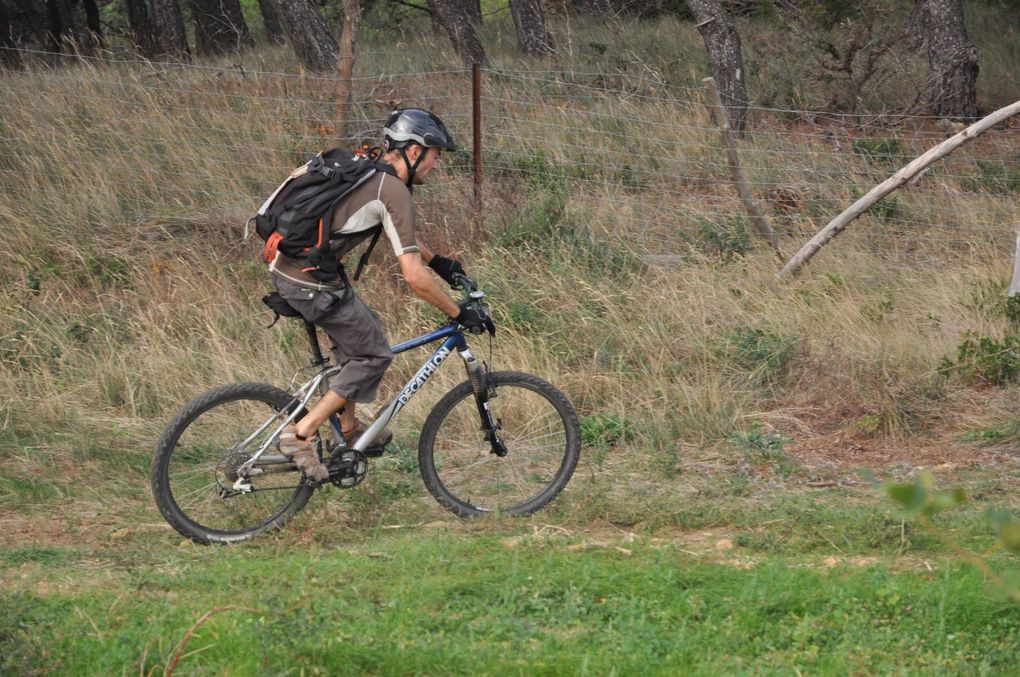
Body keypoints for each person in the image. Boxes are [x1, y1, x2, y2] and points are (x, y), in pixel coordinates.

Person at [267, 108, 489, 481]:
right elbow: (412, 276)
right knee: (373, 355)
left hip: (297, 269)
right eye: (435, 155)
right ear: (414, 151)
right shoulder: (394, 191)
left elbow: (405, 242)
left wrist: (441, 263)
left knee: (365, 331)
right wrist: (457, 313)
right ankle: (300, 434)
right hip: (309, 282)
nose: (437, 165)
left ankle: (350, 430)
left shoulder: (372, 170)